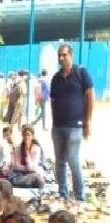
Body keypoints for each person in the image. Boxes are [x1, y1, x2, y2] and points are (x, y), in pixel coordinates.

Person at [50, 44, 93, 202]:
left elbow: (90, 96)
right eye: (59, 55)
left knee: (73, 160)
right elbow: (53, 101)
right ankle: (63, 193)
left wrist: (88, 121)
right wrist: (53, 123)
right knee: (59, 161)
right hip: (58, 126)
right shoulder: (56, 78)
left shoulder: (81, 73)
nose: (61, 58)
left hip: (75, 125)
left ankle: (80, 196)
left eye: (64, 55)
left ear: (71, 55)